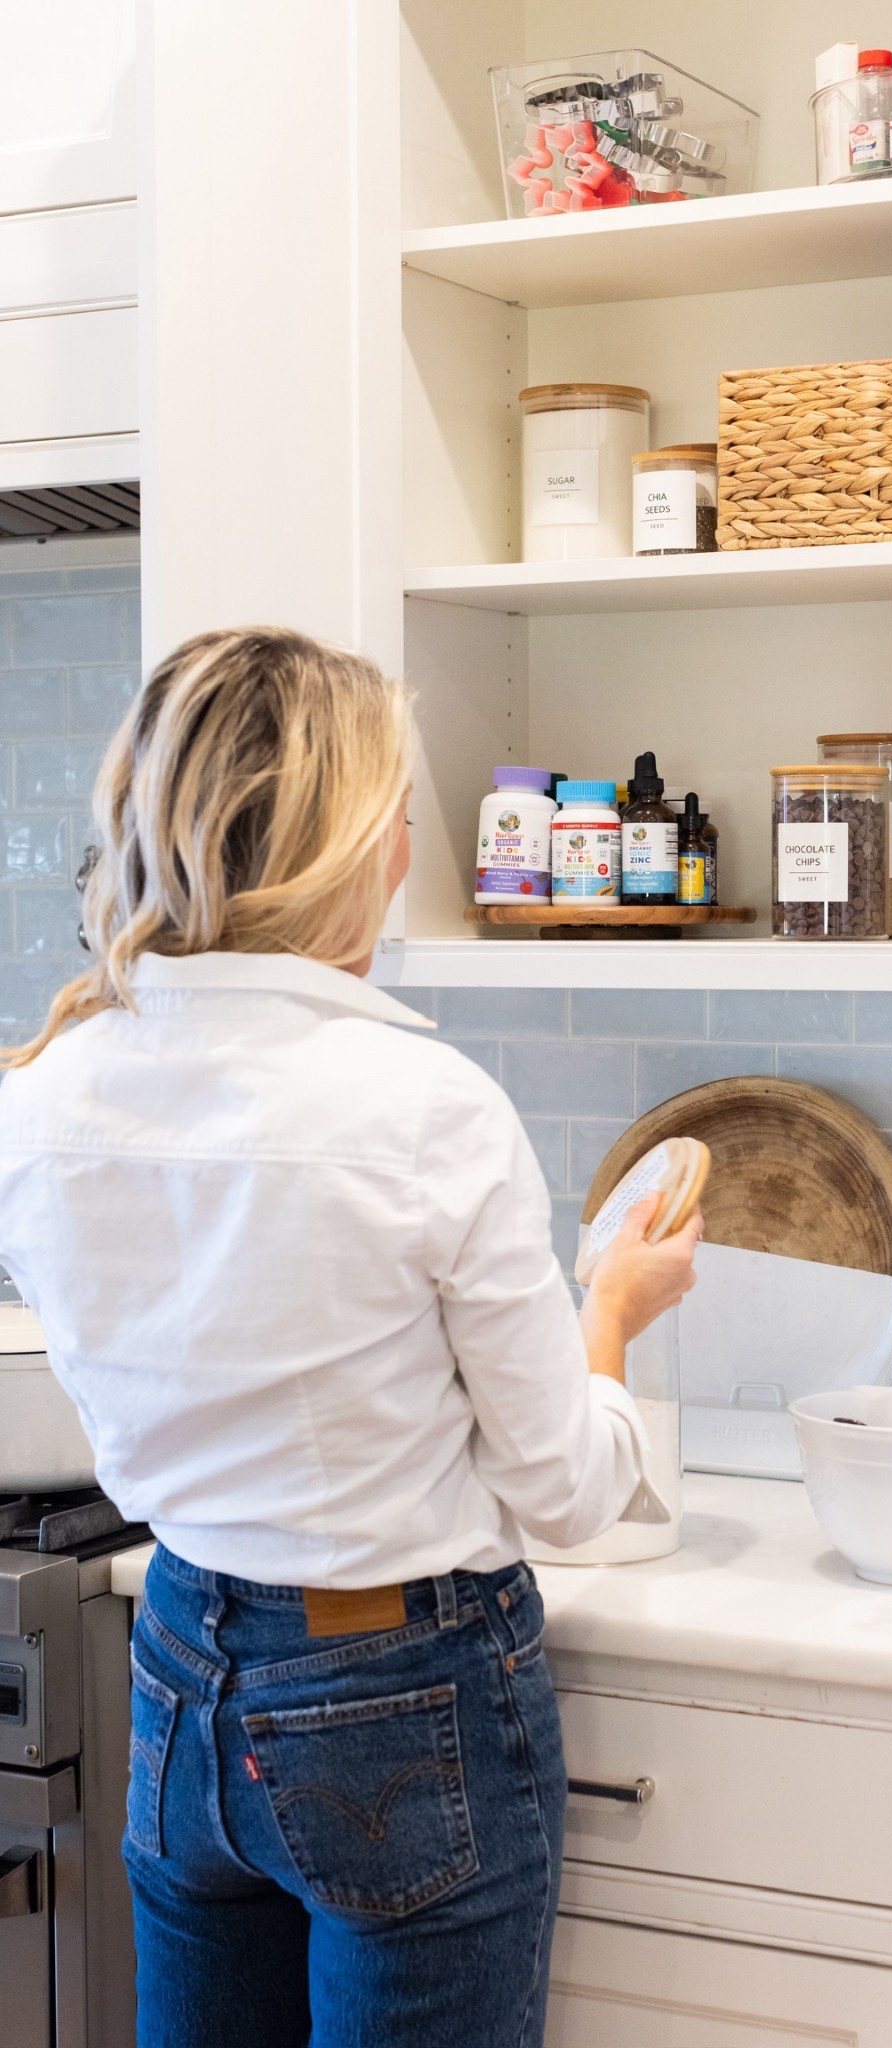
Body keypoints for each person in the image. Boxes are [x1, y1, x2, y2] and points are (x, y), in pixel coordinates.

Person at [0, 626, 700, 2048]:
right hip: (398, 1685)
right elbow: (565, 1494)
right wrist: (612, 1316)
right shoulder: (422, 1104)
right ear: (361, 844)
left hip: (184, 1655)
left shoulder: (48, 1088)